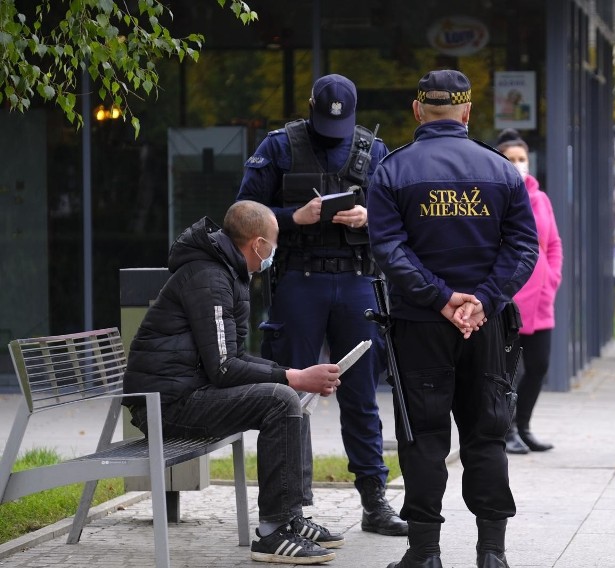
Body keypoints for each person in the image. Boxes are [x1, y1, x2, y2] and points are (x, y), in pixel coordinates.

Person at [367, 69, 539, 568]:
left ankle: (424, 554)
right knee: (486, 435)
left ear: (417, 110)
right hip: (485, 327)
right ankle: (492, 555)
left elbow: (389, 251)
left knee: (422, 436)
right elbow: (523, 248)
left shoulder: (392, 171)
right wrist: (482, 300)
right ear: (466, 112)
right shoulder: (501, 169)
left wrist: (441, 299)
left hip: (419, 325)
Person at [123, 200, 343, 564]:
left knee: (289, 395)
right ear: (257, 244)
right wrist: (293, 376)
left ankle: (291, 517)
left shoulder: (227, 272)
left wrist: (293, 378)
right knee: (282, 398)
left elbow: (232, 359)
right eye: (273, 243)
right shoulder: (209, 277)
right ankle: (273, 534)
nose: (274, 251)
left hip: (187, 392)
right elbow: (224, 367)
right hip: (166, 405)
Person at [235, 74, 407, 537]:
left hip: (356, 281)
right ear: (311, 106)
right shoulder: (279, 146)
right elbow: (242, 213)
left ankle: (375, 502)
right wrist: (294, 217)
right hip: (298, 281)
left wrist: (370, 216)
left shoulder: (374, 151)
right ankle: (290, 509)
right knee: (289, 396)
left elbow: (400, 219)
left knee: (361, 397)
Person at [495, 128, 563, 454]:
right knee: (508, 369)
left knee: (539, 366)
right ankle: (505, 431)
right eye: (511, 159)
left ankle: (523, 426)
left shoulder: (541, 198)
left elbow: (554, 244)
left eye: (522, 159)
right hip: (509, 300)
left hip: (541, 299)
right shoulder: (494, 197)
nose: (519, 164)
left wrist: (552, 279)